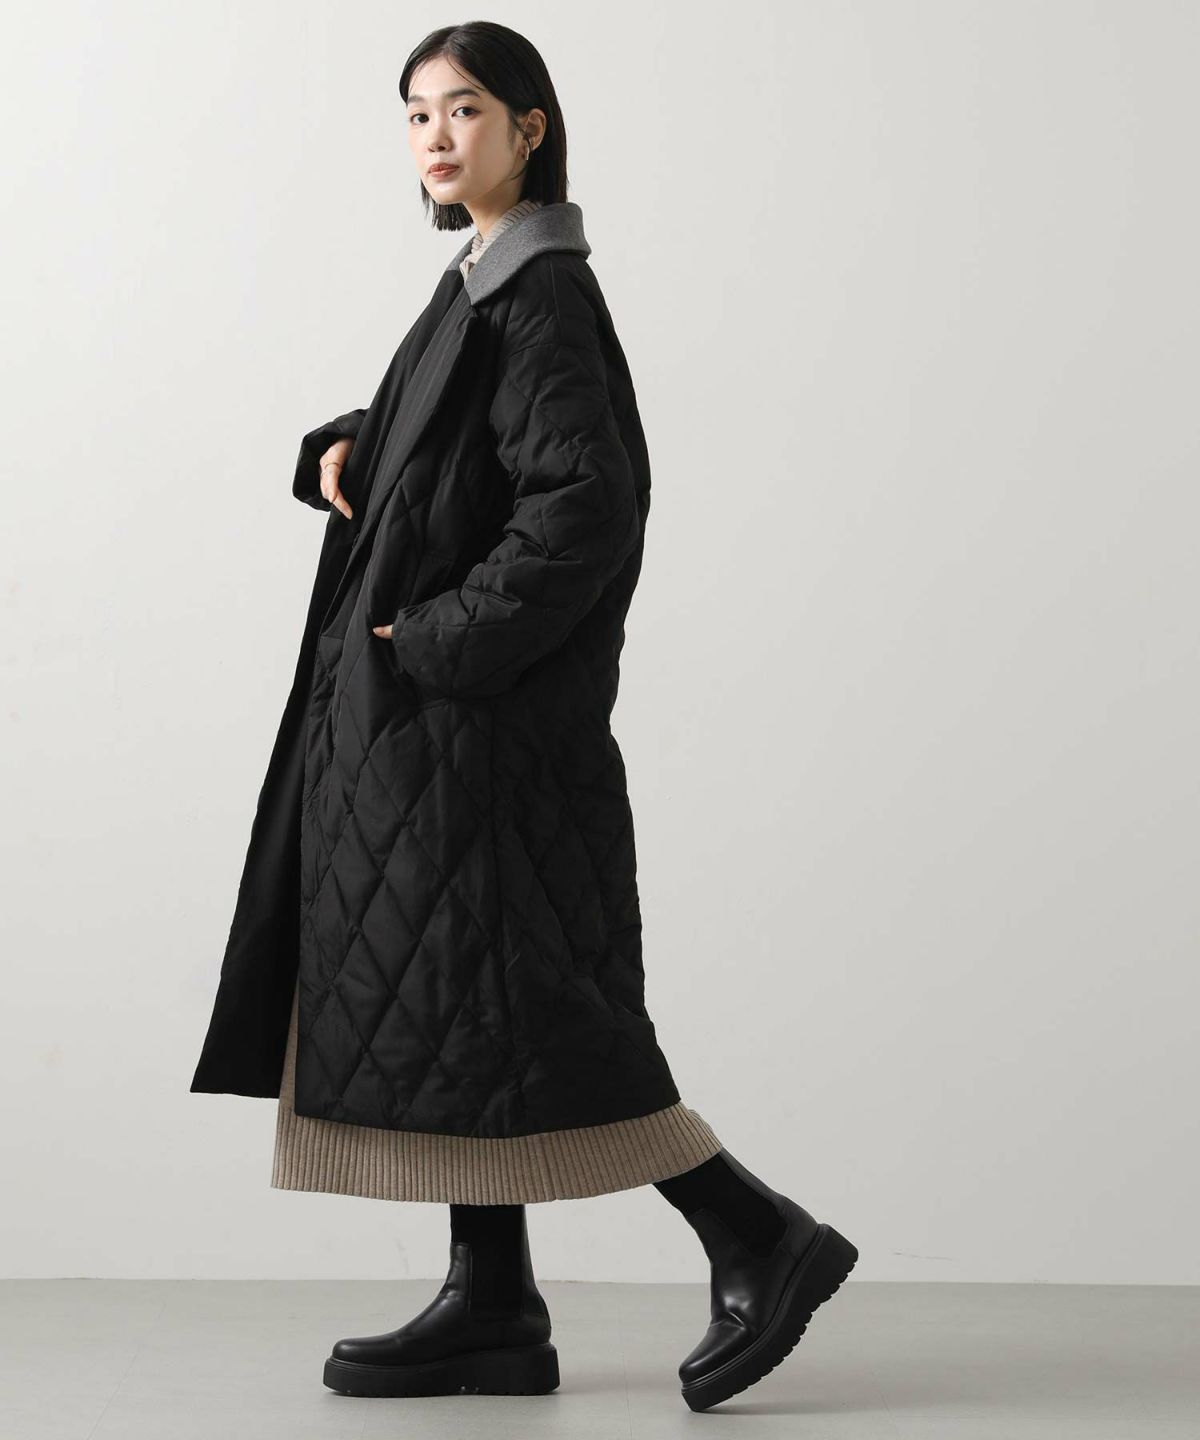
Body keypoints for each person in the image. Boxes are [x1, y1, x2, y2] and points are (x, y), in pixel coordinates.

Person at [190, 20, 857, 1412]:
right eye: (415, 114)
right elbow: (469, 445)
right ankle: (491, 1302)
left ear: (530, 127)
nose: (435, 137)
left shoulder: (538, 293)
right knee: (470, 1017)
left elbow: (583, 509)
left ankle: (758, 1234)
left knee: (543, 1013)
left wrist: (439, 640)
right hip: (443, 742)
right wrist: (352, 440)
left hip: (477, 742)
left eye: (465, 109)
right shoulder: (485, 283)